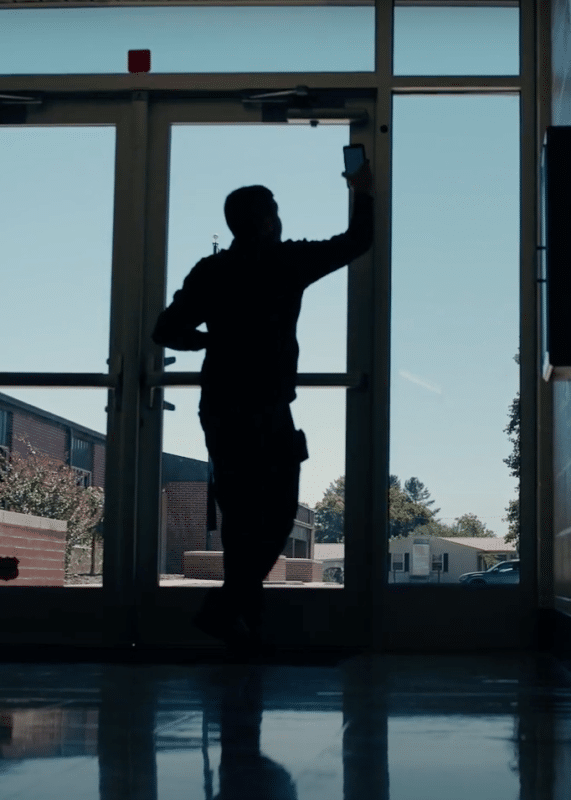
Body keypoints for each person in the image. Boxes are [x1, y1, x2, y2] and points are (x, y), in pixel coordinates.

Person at [152, 159, 374, 658]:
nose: (279, 219)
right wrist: (363, 189)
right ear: (265, 220)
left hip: (223, 406)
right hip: (269, 406)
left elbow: (166, 331)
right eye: (274, 211)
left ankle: (238, 620)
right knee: (274, 516)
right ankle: (232, 614)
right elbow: (356, 241)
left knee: (241, 519)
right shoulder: (284, 262)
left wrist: (214, 340)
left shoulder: (213, 271)